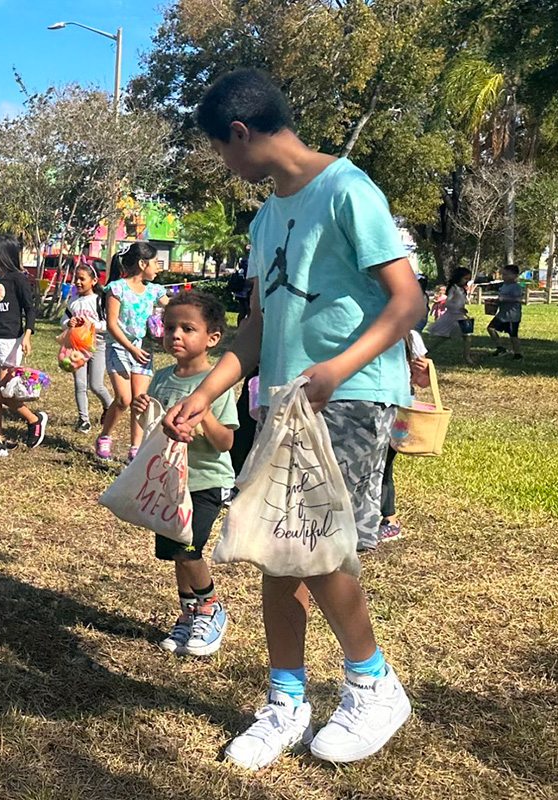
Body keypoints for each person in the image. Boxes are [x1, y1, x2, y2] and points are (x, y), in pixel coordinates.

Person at [165, 68, 424, 769]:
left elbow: (408, 302)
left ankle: (373, 686)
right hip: (284, 404)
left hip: (350, 396)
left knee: (317, 550)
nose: (225, 163)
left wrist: (337, 368)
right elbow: (253, 328)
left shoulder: (347, 189)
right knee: (277, 554)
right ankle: (285, 702)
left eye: (222, 149)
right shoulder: (266, 217)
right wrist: (205, 391)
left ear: (241, 134)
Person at [130, 291, 238, 657]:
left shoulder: (217, 383)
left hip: (206, 482)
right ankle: (189, 615)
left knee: (189, 550)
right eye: (170, 327)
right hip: (168, 482)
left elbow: (225, 442)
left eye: (187, 328)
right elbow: (154, 429)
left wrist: (201, 410)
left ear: (212, 338)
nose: (175, 335)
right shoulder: (161, 378)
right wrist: (144, 410)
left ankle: (211, 607)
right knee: (176, 552)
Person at [94, 241, 169, 462]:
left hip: (142, 350)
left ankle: (135, 448)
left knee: (141, 400)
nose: (158, 267)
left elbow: (174, 306)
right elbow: (112, 325)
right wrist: (130, 348)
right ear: (142, 263)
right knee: (124, 399)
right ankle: (105, 436)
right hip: (120, 348)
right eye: (156, 262)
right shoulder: (117, 289)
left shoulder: (154, 291)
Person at [0, 232, 46, 457]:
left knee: (3, 393)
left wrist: (27, 335)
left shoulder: (18, 278)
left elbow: (30, 308)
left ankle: (34, 419)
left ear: (0, 254)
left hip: (10, 340)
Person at [379, 332, 431, 543]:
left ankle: (389, 520)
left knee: (384, 463)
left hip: (398, 405)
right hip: (364, 401)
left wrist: (424, 372)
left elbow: (424, 381)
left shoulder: (410, 335)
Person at [61, 263, 113, 432]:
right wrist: (68, 323)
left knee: (96, 385)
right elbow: (63, 321)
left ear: (94, 280)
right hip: (77, 348)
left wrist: (92, 325)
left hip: (98, 345)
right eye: (76, 278)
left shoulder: (100, 300)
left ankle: (111, 407)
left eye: (82, 279)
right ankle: (83, 419)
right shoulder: (73, 302)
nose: (78, 282)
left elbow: (109, 325)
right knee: (80, 384)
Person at [427, 267, 474, 365]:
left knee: (467, 336)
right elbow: (447, 303)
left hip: (460, 316)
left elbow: (460, 302)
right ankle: (424, 352)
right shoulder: (453, 288)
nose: (467, 281)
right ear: (458, 277)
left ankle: (467, 357)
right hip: (451, 317)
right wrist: (458, 308)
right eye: (465, 279)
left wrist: (463, 309)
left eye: (468, 279)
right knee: (441, 338)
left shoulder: (462, 289)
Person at [487, 264, 524, 360]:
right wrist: (494, 301)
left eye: (506, 274)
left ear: (515, 275)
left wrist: (504, 299)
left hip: (512, 315)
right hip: (502, 314)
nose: (504, 276)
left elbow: (518, 299)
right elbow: (500, 298)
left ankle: (518, 354)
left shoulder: (516, 287)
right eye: (503, 274)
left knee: (513, 336)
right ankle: (500, 348)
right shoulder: (504, 286)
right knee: (491, 328)